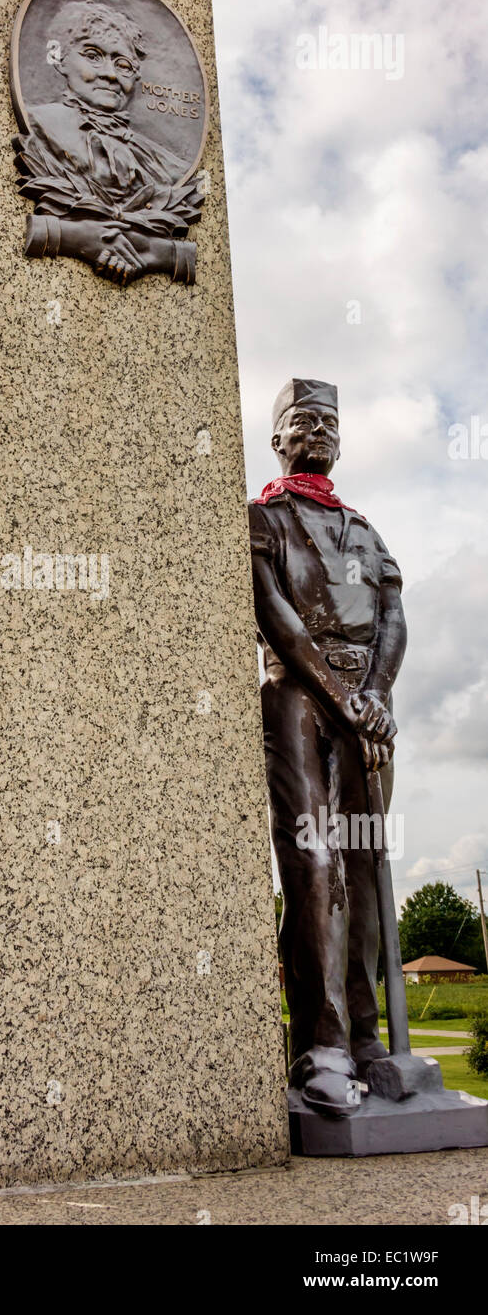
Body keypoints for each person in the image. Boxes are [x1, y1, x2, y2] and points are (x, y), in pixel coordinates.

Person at [249, 379, 406, 1117]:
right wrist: (339, 698)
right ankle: (322, 1043)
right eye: (302, 422)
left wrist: (373, 694)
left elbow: (392, 613)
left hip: (367, 711)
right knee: (314, 866)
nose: (317, 433)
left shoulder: (366, 531)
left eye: (329, 424)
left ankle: (368, 1035)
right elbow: (272, 610)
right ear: (278, 437)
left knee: (367, 866)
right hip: (299, 701)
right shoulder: (262, 519)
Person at [15, 0, 203, 284]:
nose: (111, 74)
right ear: (58, 57)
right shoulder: (42, 124)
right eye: (93, 56)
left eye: (123, 64)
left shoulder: (163, 162)